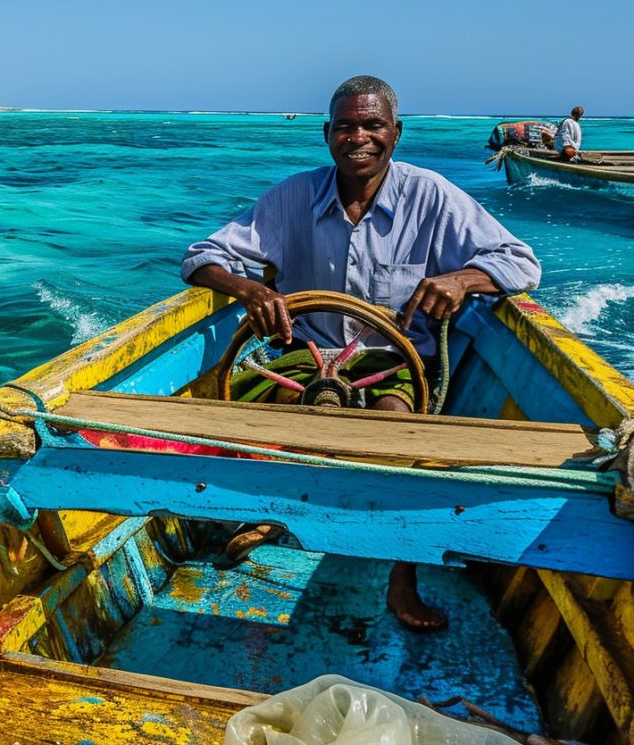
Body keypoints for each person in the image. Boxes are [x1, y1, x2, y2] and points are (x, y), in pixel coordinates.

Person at [180, 75, 541, 631]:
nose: (359, 137)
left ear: (395, 133)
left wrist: (465, 280)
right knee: (260, 412)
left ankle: (402, 576)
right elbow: (202, 256)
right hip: (308, 356)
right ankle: (270, 512)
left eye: (372, 125)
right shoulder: (291, 197)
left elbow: (521, 262)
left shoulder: (432, 196)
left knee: (396, 432)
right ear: (327, 134)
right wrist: (252, 290)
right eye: (346, 126)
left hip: (394, 362)